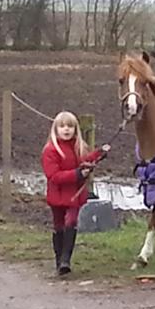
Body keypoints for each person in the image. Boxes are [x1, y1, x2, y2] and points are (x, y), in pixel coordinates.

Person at [41, 111, 110, 275]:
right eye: (62, 126)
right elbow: (53, 176)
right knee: (58, 226)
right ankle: (59, 260)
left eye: (70, 126)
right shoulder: (50, 150)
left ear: (75, 129)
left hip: (75, 195)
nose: (66, 130)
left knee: (70, 221)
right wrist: (77, 174)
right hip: (57, 194)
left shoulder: (79, 147)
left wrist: (99, 153)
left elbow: (85, 160)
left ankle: (66, 260)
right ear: (56, 129)